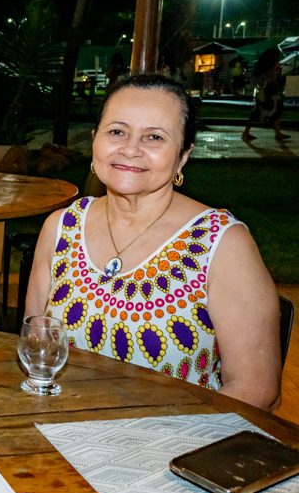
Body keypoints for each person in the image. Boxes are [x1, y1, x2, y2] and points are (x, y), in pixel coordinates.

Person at [26, 74, 281, 411]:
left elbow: (257, 390)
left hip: (177, 442)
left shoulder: (222, 245)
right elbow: (37, 345)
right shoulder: (61, 228)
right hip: (64, 429)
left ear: (183, 156)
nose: (130, 149)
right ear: (94, 141)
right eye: (117, 131)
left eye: (154, 137)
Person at [242, 48, 289, 141]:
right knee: (271, 110)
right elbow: (272, 77)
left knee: (271, 111)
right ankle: (247, 132)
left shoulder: (264, 65)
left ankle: (277, 133)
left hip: (265, 89)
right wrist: (277, 71)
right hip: (270, 89)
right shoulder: (271, 65)